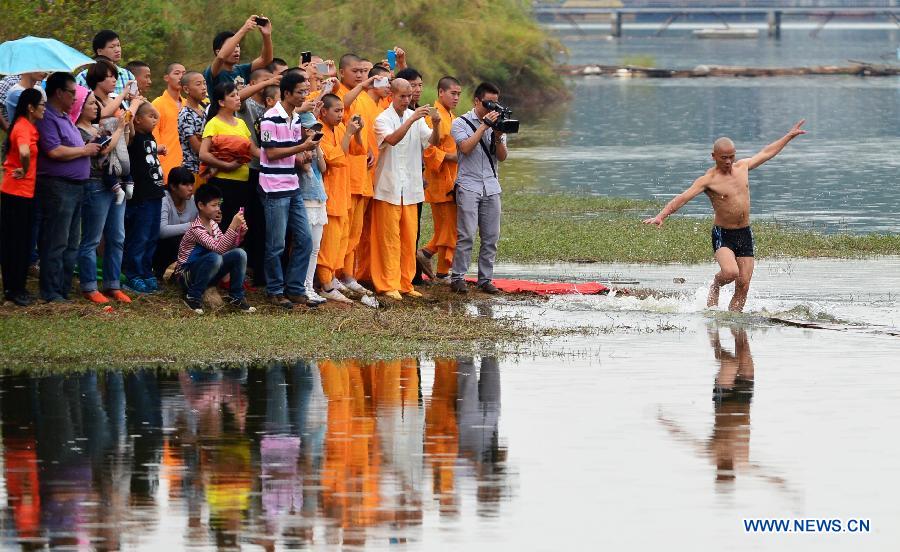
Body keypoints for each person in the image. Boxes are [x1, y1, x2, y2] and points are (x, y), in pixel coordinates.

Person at [643, 120, 807, 312]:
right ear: (714, 157)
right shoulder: (708, 180)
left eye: (731, 156)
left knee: (743, 284)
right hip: (723, 234)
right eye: (723, 158)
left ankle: (734, 323)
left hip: (744, 233)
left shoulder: (743, 167)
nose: (728, 161)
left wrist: (788, 136)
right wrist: (662, 215)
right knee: (730, 273)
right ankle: (715, 283)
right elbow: (683, 197)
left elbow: (766, 153)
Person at [34, 72, 102, 303]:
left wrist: (88, 147)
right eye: (72, 92)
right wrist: (84, 151)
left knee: (73, 242)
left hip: (75, 187)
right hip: (58, 187)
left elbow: (70, 148)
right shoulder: (47, 118)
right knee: (57, 240)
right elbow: (54, 151)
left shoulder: (64, 118)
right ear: (59, 93)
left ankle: (62, 289)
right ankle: (51, 291)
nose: (75, 97)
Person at [258, 71, 323, 309]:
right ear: (286, 93)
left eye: (305, 91)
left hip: (292, 185)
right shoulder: (269, 117)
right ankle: (275, 290)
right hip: (273, 187)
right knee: (276, 244)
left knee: (305, 240)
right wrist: (302, 146)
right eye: (300, 92)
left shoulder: (295, 118)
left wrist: (306, 152)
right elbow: (271, 153)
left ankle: (294, 288)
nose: (304, 96)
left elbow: (292, 153)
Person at [371, 78, 441, 300]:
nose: (406, 100)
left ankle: (405, 282)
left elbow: (432, 142)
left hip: (410, 188)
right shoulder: (383, 118)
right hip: (389, 187)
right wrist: (411, 118)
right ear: (391, 95)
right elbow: (391, 139)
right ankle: (387, 283)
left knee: (409, 238)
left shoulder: (417, 119)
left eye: (409, 96)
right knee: (388, 238)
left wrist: (437, 124)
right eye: (402, 96)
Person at [449, 82, 508, 295]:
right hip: (468, 185)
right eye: (488, 103)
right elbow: (464, 148)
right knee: (466, 234)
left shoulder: (498, 122)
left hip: (491, 186)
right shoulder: (460, 123)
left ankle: (485, 279)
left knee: (491, 236)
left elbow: (502, 157)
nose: (493, 108)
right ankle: (458, 277)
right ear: (476, 101)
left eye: (496, 103)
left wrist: (498, 135)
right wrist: (483, 126)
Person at [73, 89, 131, 304]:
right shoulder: (77, 131)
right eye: (90, 103)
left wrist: (125, 126)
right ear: (78, 106)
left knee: (117, 237)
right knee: (92, 238)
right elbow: (104, 151)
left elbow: (122, 143)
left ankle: (112, 284)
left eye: (96, 103)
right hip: (95, 184)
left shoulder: (98, 127)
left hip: (115, 183)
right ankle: (89, 286)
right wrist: (120, 127)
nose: (95, 107)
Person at [316, 93, 366, 303]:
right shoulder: (319, 131)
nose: (340, 114)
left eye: (342, 110)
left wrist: (358, 133)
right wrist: (348, 134)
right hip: (329, 194)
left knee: (341, 239)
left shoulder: (339, 128)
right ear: (323, 111)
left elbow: (357, 150)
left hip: (342, 191)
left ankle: (333, 277)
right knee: (328, 242)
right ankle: (325, 285)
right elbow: (334, 158)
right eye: (336, 111)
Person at [175, 184, 255, 314]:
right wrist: (232, 226)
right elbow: (219, 249)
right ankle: (192, 297)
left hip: (207, 269)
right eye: (214, 205)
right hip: (186, 276)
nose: (218, 209)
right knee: (215, 257)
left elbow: (226, 247)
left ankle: (236, 297)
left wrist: (239, 235)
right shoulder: (196, 229)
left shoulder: (213, 224)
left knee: (240, 253)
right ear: (201, 205)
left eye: (219, 204)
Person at [334, 54, 377, 295]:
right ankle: (332, 275)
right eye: (355, 71)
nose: (361, 75)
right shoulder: (339, 93)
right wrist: (362, 85)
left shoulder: (365, 99)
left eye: (363, 71)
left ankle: (348, 275)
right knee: (340, 230)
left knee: (354, 232)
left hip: (363, 172)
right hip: (344, 173)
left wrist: (369, 150)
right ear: (341, 72)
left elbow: (366, 131)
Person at [237, 68, 282, 287]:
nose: (271, 82)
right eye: (265, 80)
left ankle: (262, 273)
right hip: (251, 169)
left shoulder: (273, 109)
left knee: (264, 224)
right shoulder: (247, 106)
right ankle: (247, 270)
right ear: (253, 82)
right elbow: (239, 97)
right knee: (251, 221)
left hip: (270, 170)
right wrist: (267, 83)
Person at [1, 89, 45, 306]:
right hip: (15, 192)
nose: (44, 108)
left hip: (25, 193)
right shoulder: (22, 127)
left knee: (23, 241)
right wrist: (25, 169)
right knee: (15, 242)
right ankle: (13, 289)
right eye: (42, 104)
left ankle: (18, 287)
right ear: (30, 107)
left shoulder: (27, 126)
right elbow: (25, 152)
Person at [418, 76, 462, 283]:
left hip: (451, 178)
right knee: (448, 227)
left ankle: (443, 270)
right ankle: (426, 253)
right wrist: (454, 157)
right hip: (439, 179)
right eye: (453, 93)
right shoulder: (433, 117)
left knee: (448, 227)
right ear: (440, 93)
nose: (456, 98)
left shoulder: (451, 116)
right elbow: (430, 149)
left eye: (459, 94)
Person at [199, 82, 258, 234]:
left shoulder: (241, 123)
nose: (238, 98)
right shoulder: (213, 124)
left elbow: (254, 151)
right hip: (221, 183)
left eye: (238, 94)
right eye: (232, 96)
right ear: (221, 102)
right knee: (223, 225)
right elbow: (203, 154)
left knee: (240, 228)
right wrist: (226, 166)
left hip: (243, 183)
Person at [123, 102, 166, 294]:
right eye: (151, 116)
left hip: (155, 193)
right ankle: (133, 275)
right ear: (138, 119)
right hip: (141, 196)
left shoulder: (150, 137)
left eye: (156, 116)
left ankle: (146, 272)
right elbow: (129, 127)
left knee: (151, 237)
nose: (155, 120)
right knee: (139, 237)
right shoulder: (133, 136)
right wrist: (133, 105)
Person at [297, 114, 330, 305]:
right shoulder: (298, 149)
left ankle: (309, 285)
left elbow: (323, 169)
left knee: (316, 247)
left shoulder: (316, 147)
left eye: (316, 129)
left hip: (319, 198)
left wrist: (317, 147)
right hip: (306, 198)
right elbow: (306, 169)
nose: (314, 132)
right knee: (305, 245)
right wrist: (307, 149)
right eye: (309, 129)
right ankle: (301, 285)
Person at [204, 14, 274, 93]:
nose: (236, 50)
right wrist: (244, 29)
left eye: (237, 46)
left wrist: (267, 36)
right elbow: (221, 57)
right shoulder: (213, 71)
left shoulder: (241, 70)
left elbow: (266, 60)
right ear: (218, 51)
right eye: (232, 46)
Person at [153, 166, 199, 279]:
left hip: (182, 248)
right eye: (185, 185)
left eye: (192, 184)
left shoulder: (193, 201)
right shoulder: (164, 199)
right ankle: (160, 272)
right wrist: (192, 225)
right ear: (173, 186)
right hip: (162, 248)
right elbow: (161, 231)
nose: (190, 188)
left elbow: (202, 224)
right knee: (177, 240)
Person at [151, 63, 187, 183]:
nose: (181, 77)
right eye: (176, 73)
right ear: (166, 78)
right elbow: (154, 137)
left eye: (184, 73)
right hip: (167, 165)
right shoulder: (158, 104)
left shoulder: (188, 104)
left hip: (188, 166)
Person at [76, 30, 136, 97]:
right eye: (112, 47)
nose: (117, 50)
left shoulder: (128, 75)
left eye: (118, 45)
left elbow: (135, 99)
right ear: (99, 51)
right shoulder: (83, 77)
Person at [178, 71, 208, 182]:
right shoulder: (186, 114)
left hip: (206, 169)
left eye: (204, 83)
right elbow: (197, 148)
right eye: (198, 84)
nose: (204, 87)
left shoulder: (204, 111)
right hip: (193, 171)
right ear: (186, 89)